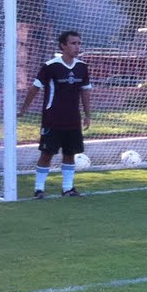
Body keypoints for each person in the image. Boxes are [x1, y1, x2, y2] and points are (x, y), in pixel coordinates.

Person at [18, 29, 92, 199]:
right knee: (47, 153)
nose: (77, 47)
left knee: (70, 153)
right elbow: (35, 88)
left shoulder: (82, 67)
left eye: (79, 43)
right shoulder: (50, 66)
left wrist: (88, 115)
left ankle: (68, 188)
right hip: (52, 119)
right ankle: (39, 189)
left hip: (73, 119)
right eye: (73, 43)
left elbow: (85, 91)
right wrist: (24, 108)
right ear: (63, 45)